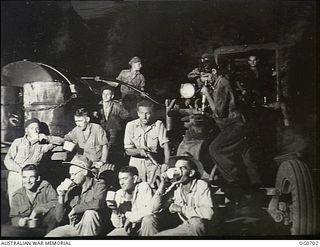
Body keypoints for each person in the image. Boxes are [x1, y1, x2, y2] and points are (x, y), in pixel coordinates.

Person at [200, 63, 262, 200]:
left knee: (215, 148)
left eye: (206, 75)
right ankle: (256, 184)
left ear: (214, 71)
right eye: (202, 76)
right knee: (244, 153)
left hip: (235, 124)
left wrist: (207, 95)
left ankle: (234, 182)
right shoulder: (219, 81)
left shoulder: (220, 84)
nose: (204, 79)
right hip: (239, 123)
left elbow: (219, 112)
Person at [45, 155, 108, 237]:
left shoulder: (99, 185)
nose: (71, 178)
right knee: (52, 236)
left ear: (85, 172)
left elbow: (98, 203)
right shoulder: (73, 189)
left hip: (94, 227)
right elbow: (59, 218)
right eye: (70, 174)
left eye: (74, 174)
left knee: (90, 214)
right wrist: (61, 196)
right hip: (75, 227)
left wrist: (76, 209)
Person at [4, 118, 61, 206]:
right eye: (32, 128)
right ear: (26, 130)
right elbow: (7, 159)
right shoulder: (18, 142)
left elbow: (62, 141)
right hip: (17, 175)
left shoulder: (42, 145)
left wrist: (48, 138)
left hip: (32, 177)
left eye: (37, 128)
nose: (35, 130)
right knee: (16, 203)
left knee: (30, 202)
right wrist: (20, 170)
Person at [153, 156, 213, 236]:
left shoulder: (201, 185)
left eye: (182, 168)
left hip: (202, 228)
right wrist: (162, 184)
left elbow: (208, 213)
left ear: (191, 173)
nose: (178, 171)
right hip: (186, 226)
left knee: (196, 221)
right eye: (176, 168)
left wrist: (181, 209)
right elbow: (155, 209)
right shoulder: (176, 187)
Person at [1, 164, 58, 237]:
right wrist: (20, 222)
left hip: (47, 228)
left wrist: (37, 210)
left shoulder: (46, 187)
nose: (28, 181)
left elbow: (56, 203)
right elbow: (13, 217)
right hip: (27, 230)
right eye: (24, 177)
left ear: (38, 178)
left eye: (31, 177)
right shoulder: (17, 195)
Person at [124, 100, 170, 187]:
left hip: (153, 164)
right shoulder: (130, 125)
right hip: (136, 164)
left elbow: (166, 146)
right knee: (136, 189)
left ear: (152, 113)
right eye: (142, 113)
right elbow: (127, 150)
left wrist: (166, 163)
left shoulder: (158, 125)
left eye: (147, 113)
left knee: (154, 189)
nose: (144, 117)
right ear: (138, 113)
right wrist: (139, 151)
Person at [107, 166, 159, 236]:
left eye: (125, 179)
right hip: (129, 229)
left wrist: (130, 218)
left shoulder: (143, 187)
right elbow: (117, 225)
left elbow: (150, 211)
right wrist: (115, 210)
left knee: (148, 220)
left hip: (143, 227)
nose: (121, 183)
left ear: (135, 179)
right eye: (120, 179)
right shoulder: (119, 193)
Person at [98, 85, 129, 150]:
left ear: (112, 96)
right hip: (101, 130)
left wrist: (118, 121)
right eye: (104, 94)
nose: (105, 96)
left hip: (114, 131)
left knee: (113, 119)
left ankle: (111, 145)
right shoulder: (98, 105)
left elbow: (126, 116)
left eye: (108, 94)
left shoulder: (117, 105)